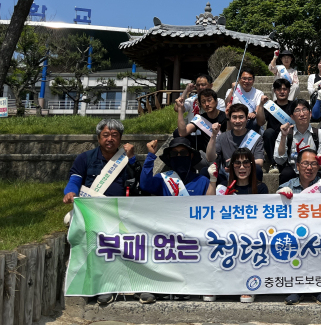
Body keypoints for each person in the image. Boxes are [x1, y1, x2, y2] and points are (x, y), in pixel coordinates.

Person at [62, 119, 153, 305]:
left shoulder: (126, 158)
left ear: (120, 138)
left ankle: (139, 285)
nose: (110, 139)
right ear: (98, 138)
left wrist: (132, 159)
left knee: (137, 241)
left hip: (124, 212)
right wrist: (70, 192)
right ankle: (105, 286)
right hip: (94, 211)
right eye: (105, 135)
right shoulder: (85, 158)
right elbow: (74, 180)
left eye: (114, 135)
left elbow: (142, 183)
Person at [276, 148, 321, 306]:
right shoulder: (288, 185)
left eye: (314, 164)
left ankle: (320, 289)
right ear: (297, 166)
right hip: (295, 234)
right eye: (305, 163)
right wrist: (280, 195)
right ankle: (296, 289)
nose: (309, 168)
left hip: (320, 232)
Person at [206, 149, 268, 304]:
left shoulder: (261, 188)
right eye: (237, 163)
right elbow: (208, 207)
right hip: (227, 234)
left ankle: (248, 285)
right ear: (231, 166)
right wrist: (212, 180)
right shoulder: (223, 187)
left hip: (251, 235)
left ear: (252, 165)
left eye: (246, 163)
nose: (242, 167)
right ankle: (216, 285)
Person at [204, 104, 265, 186]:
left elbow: (260, 162)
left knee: (257, 169)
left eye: (241, 117)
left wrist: (236, 163)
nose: (237, 121)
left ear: (247, 118)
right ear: (229, 119)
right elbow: (210, 158)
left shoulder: (256, 137)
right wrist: (213, 135)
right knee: (205, 171)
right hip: (227, 176)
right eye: (234, 117)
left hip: (247, 175)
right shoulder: (222, 137)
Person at [273, 99, 321, 185]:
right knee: (286, 174)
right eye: (297, 110)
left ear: (310, 114)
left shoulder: (320, 134)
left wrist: (308, 167)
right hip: (292, 170)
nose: (302, 114)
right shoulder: (286, 133)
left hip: (312, 170)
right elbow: (279, 160)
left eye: (304, 109)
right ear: (292, 117)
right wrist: (283, 136)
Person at [140, 137, 217, 196]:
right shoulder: (162, 179)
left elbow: (211, 204)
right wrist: (150, 156)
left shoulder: (202, 181)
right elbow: (145, 185)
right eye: (174, 153)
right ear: (169, 157)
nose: (179, 156)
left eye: (183, 152)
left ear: (191, 156)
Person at [174, 74, 226, 145]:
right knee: (176, 133)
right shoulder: (192, 99)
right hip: (194, 133)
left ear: (211, 85)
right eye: (198, 85)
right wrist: (186, 91)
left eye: (203, 85)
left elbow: (219, 117)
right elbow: (177, 108)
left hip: (212, 134)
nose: (200, 87)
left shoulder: (219, 101)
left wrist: (203, 107)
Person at [175, 89, 228, 155]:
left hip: (225, 153)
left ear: (216, 102)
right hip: (208, 155)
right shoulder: (200, 119)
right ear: (200, 104)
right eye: (203, 102)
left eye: (209, 100)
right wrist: (180, 109)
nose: (207, 104)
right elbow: (183, 133)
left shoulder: (226, 117)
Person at [256, 79, 294, 166]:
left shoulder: (294, 106)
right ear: (274, 91)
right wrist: (261, 105)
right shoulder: (270, 106)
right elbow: (260, 123)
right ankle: (274, 163)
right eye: (279, 89)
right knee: (268, 133)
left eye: (284, 89)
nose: (282, 92)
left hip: (289, 136)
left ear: (289, 90)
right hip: (273, 136)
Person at [224, 67, 264, 132]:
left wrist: (254, 113)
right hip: (235, 119)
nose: (247, 81)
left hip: (249, 121)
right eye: (244, 78)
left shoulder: (258, 93)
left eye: (249, 79)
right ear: (239, 79)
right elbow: (226, 104)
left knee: (254, 121)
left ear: (253, 80)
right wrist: (232, 90)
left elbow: (258, 107)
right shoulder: (231, 90)